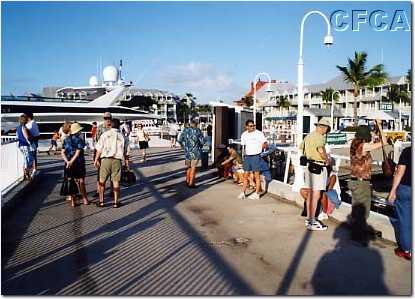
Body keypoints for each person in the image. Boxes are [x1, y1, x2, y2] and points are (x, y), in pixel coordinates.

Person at [348, 123, 385, 224]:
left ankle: (355, 233)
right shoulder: (363, 146)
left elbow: (374, 142)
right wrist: (380, 127)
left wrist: (375, 131)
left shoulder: (354, 144)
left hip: (354, 181)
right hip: (361, 183)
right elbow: (383, 142)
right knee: (363, 211)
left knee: (356, 210)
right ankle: (359, 236)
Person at [299, 118, 331, 231]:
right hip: (318, 168)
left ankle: (309, 218)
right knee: (316, 195)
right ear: (323, 127)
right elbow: (321, 150)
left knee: (310, 194)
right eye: (327, 128)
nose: (326, 131)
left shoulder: (308, 136)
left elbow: (301, 149)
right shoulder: (320, 137)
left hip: (309, 167)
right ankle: (312, 221)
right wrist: (327, 160)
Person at [94, 118, 129, 208]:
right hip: (117, 161)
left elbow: (99, 148)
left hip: (105, 160)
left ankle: (101, 202)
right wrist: (126, 164)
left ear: (110, 125)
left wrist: (96, 159)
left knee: (102, 181)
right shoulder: (123, 137)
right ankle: (116, 202)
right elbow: (126, 152)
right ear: (119, 126)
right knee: (116, 182)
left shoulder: (105, 134)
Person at [388, 146, 412, 260]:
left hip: (406, 188)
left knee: (405, 221)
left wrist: (393, 191)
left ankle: (407, 250)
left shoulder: (408, 151)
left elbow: (400, 172)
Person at [238, 119, 268, 200]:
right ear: (246, 127)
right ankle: (243, 192)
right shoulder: (244, 134)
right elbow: (243, 146)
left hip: (256, 156)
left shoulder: (259, 133)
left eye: (254, 126)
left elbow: (265, 143)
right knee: (245, 175)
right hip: (247, 157)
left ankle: (257, 193)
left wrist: (261, 149)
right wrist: (243, 156)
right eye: (251, 126)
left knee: (256, 176)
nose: (253, 127)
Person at [61, 123, 89, 207]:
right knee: (81, 181)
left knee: (71, 181)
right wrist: (72, 161)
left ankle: (73, 201)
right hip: (78, 162)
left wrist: (68, 162)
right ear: (77, 131)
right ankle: (85, 199)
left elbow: (62, 152)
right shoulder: (79, 139)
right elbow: (77, 153)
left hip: (68, 163)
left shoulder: (65, 139)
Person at [178, 120, 205, 188]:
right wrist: (200, 146)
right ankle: (191, 183)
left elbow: (180, 140)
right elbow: (202, 141)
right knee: (193, 168)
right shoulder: (198, 131)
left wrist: (183, 146)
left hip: (187, 152)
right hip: (195, 152)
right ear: (196, 124)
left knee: (188, 168)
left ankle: (187, 181)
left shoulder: (185, 130)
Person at [93, 112, 113, 197]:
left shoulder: (114, 127)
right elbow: (97, 142)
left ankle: (112, 190)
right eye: (105, 118)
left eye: (108, 118)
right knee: (99, 173)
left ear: (111, 118)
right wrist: (95, 156)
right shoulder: (100, 128)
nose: (107, 119)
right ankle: (98, 191)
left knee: (112, 173)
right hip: (102, 154)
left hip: (112, 154)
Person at [16, 114, 35, 180]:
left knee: (25, 159)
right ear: (25, 120)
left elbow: (18, 136)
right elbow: (27, 137)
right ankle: (27, 173)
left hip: (20, 145)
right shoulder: (24, 127)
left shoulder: (18, 127)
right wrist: (31, 140)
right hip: (25, 145)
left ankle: (25, 174)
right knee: (29, 159)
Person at [25, 112, 40, 178]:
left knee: (31, 156)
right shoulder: (33, 122)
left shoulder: (30, 124)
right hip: (35, 140)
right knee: (33, 155)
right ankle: (34, 168)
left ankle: (33, 169)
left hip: (33, 141)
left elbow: (27, 131)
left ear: (28, 117)